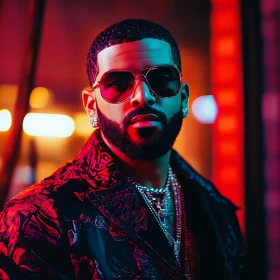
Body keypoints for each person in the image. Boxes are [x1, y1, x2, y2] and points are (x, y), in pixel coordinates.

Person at [0, 19, 244, 279]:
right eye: (117, 83)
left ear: (183, 97)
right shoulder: (35, 218)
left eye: (161, 79)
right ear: (92, 106)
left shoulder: (214, 209)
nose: (143, 96)